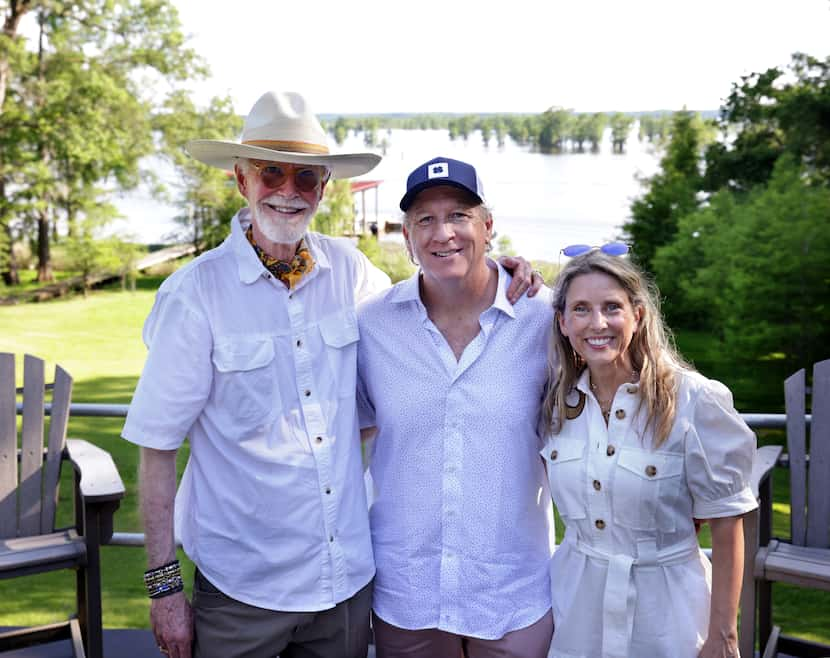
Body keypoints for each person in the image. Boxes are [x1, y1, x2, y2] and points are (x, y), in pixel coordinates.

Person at [122, 93, 541, 658]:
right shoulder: (194, 296)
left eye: (305, 177)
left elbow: (430, 295)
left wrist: (501, 268)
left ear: (324, 189)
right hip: (242, 590)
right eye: (271, 172)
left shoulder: (350, 272)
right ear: (241, 181)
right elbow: (155, 448)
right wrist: (163, 589)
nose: (288, 191)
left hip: (344, 588)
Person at [357, 157, 556, 658]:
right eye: (425, 219)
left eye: (459, 216)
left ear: (488, 227)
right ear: (407, 237)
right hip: (407, 593)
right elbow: (340, 432)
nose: (442, 232)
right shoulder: (370, 326)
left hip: (512, 596)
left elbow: (620, 376)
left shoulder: (545, 319)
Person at [540, 247, 757, 658]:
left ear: (637, 316)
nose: (597, 323)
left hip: (669, 617)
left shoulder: (694, 400)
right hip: (577, 614)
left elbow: (728, 527)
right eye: (581, 309)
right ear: (563, 323)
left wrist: (724, 635)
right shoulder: (555, 405)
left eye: (612, 307)